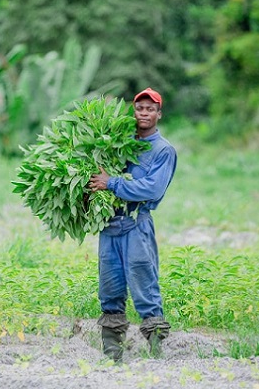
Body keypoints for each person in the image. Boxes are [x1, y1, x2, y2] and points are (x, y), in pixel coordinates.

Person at [88, 87, 177, 362]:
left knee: (145, 286)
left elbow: (151, 188)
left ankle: (157, 352)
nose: (144, 113)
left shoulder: (163, 151)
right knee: (109, 289)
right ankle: (112, 354)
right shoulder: (118, 144)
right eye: (140, 108)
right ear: (134, 111)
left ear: (159, 114)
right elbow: (96, 173)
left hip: (136, 224)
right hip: (110, 225)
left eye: (150, 109)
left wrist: (111, 183)